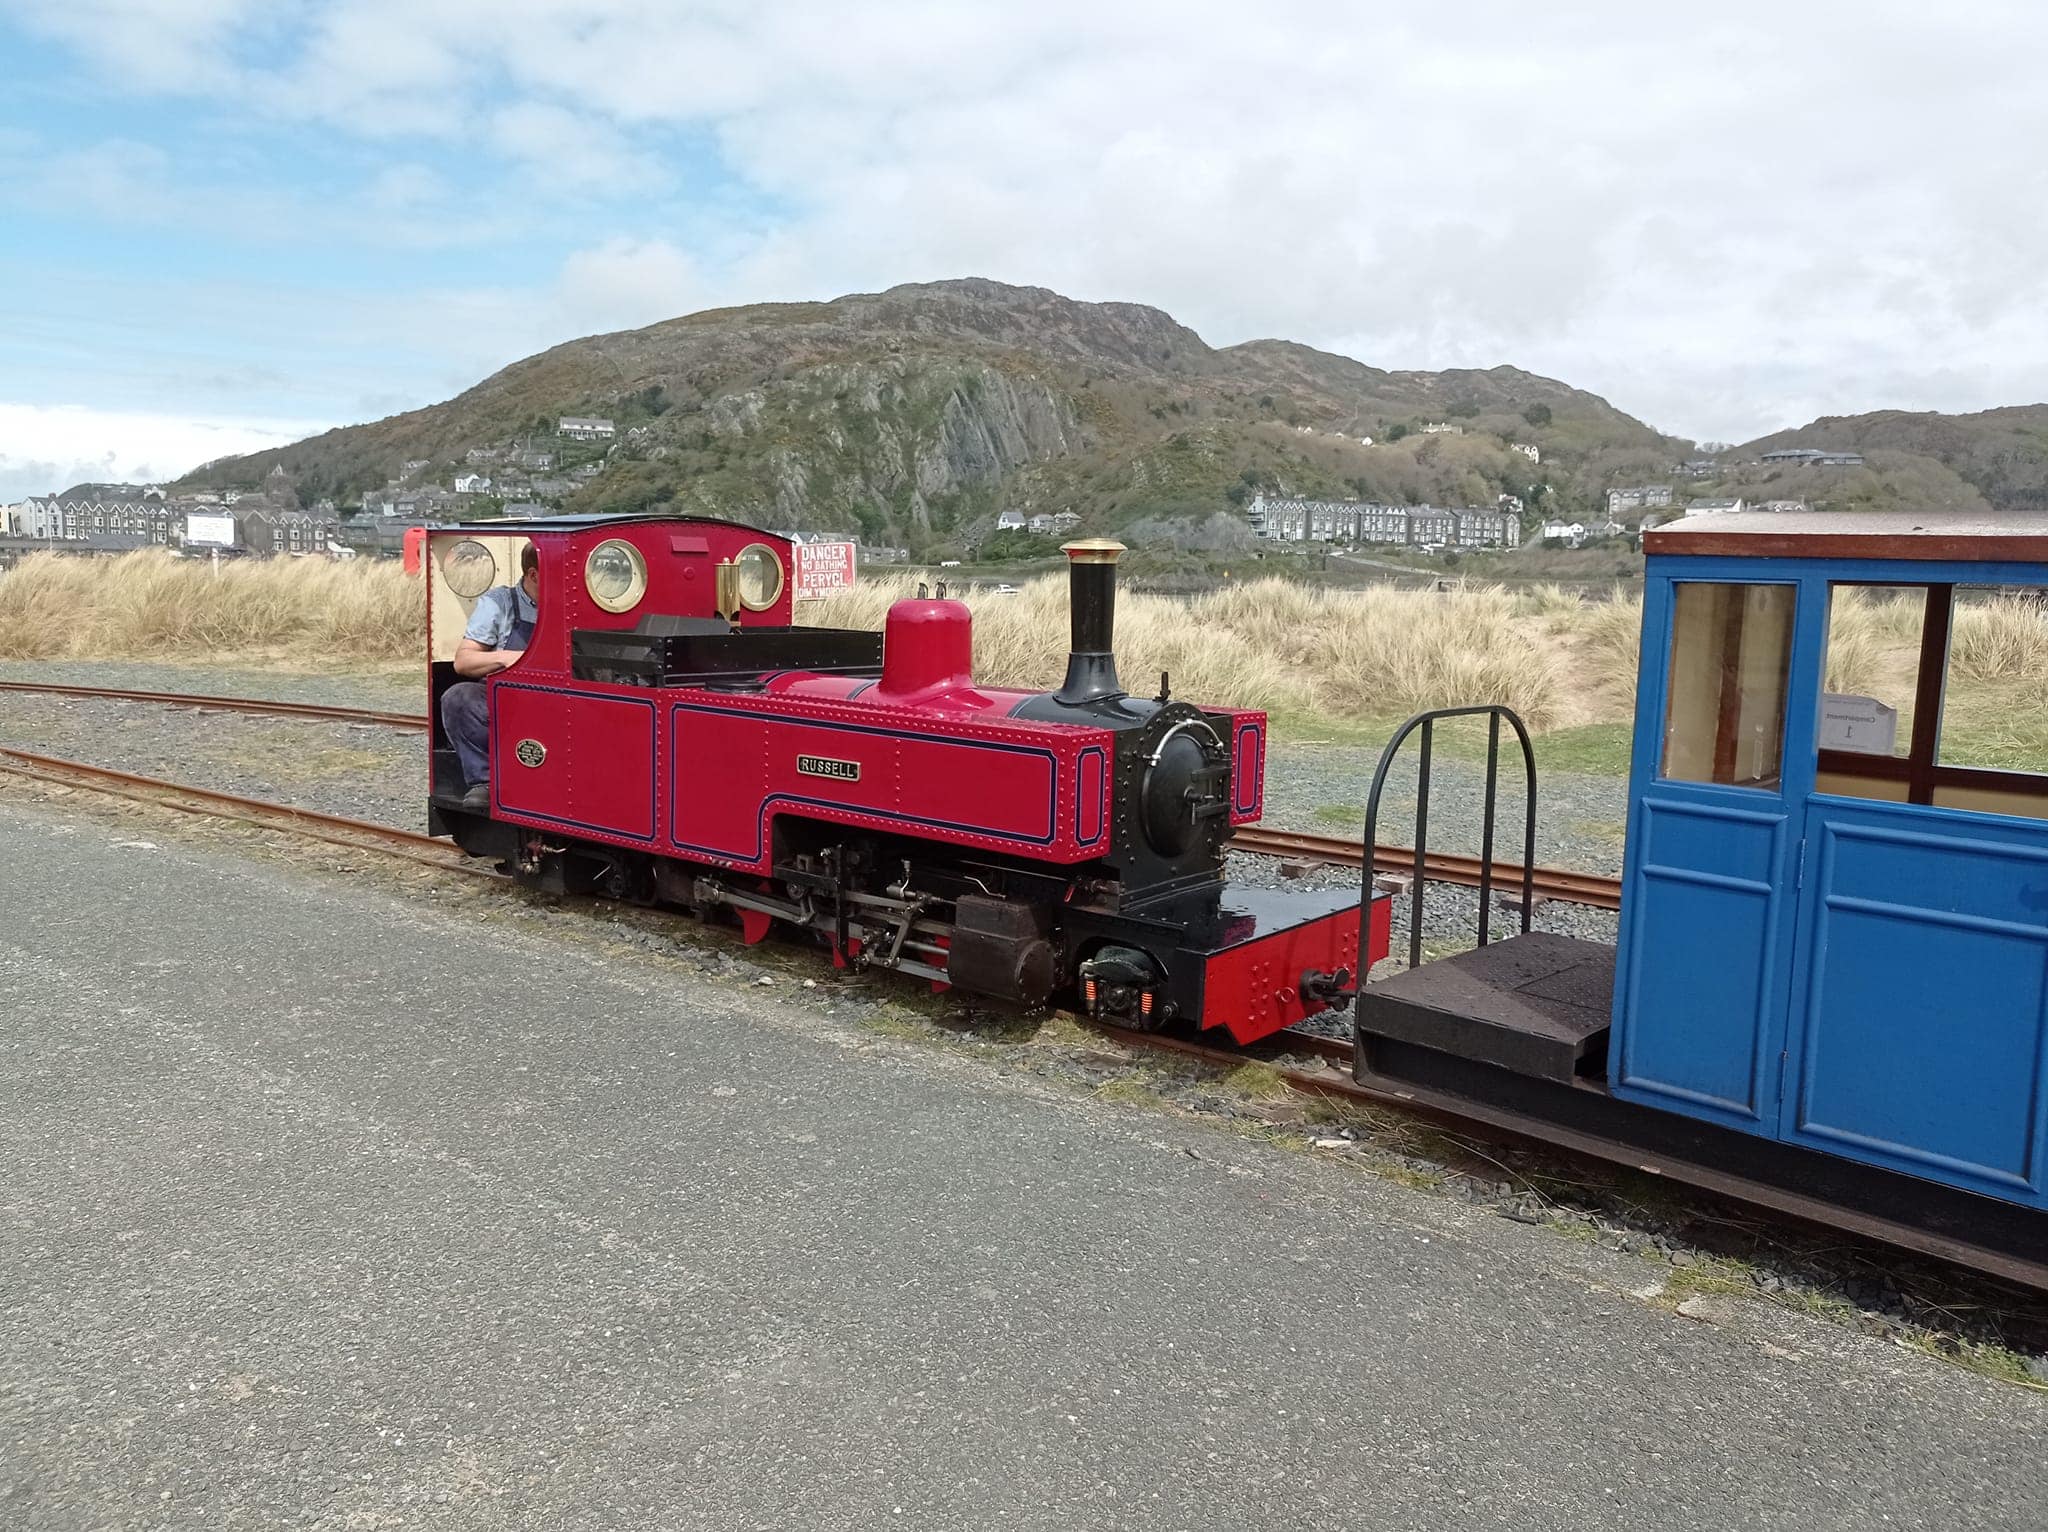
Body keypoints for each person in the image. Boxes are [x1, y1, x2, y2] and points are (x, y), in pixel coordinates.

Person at [441, 544, 539, 808]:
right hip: (506, 698)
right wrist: (513, 658)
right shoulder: (499, 603)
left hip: (552, 698)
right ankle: (483, 781)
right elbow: (464, 660)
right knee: (458, 698)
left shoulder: (571, 604)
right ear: (534, 575)